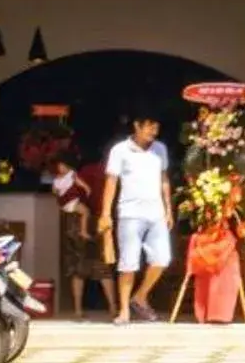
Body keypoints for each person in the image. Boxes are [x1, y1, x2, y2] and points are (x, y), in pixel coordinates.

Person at [99, 114, 174, 324]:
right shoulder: (120, 150)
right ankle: (124, 310)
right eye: (149, 126)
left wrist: (169, 209)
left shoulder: (160, 149)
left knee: (162, 259)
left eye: (156, 126)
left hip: (156, 213)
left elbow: (164, 179)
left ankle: (140, 296)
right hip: (130, 213)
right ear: (137, 126)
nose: (153, 131)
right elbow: (111, 182)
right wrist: (106, 213)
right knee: (128, 263)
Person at [45, 154, 101, 319]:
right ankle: (79, 309)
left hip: (67, 209)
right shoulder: (69, 177)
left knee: (82, 268)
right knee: (86, 212)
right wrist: (87, 190)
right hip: (72, 209)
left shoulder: (62, 178)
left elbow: (55, 192)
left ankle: (80, 309)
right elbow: (79, 187)